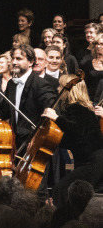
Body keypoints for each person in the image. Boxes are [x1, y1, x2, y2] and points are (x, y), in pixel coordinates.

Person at [44, 74, 103, 207]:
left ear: (70, 90)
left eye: (61, 86)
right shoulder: (82, 108)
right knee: (75, 195)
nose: (58, 89)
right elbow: (73, 139)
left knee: (61, 190)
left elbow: (76, 129)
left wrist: (56, 118)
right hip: (91, 160)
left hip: (93, 162)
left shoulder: (76, 108)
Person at [0, 44, 56, 148]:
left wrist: (38, 138)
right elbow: (5, 112)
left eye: (19, 59)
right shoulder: (12, 84)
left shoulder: (40, 84)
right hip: (17, 142)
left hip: (35, 142)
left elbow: (51, 113)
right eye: (13, 58)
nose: (14, 62)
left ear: (31, 62)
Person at [86, 34, 103, 105]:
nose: (98, 46)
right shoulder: (88, 63)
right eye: (97, 44)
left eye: (102, 44)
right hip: (91, 100)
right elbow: (85, 85)